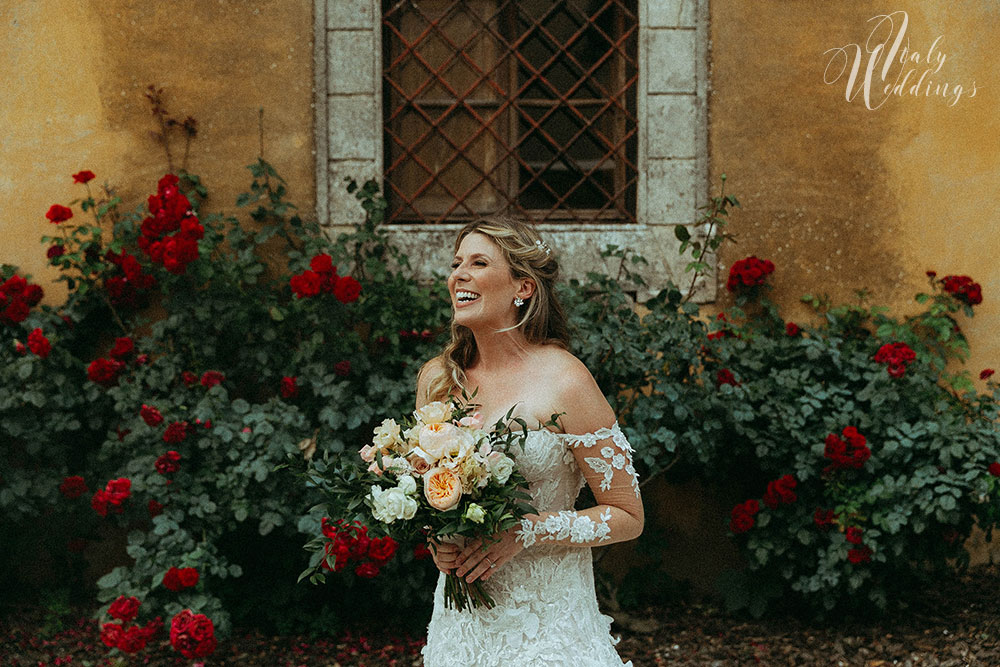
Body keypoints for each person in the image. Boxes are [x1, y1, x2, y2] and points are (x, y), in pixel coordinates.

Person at [417, 215, 644, 666]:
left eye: (479, 263)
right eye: (456, 262)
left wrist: (529, 529)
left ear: (522, 287)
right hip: (461, 629)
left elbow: (627, 515)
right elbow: (429, 490)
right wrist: (436, 539)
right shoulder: (440, 381)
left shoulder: (566, 380)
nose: (458, 274)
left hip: (550, 629)